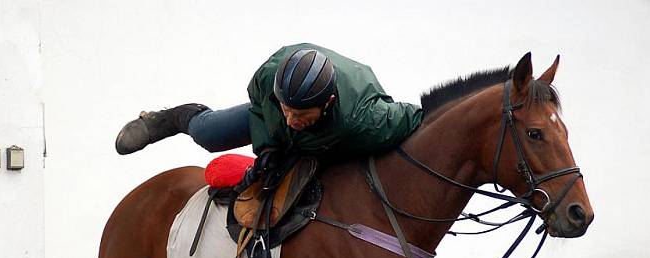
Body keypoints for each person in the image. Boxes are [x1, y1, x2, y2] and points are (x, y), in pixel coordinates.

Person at [115, 43, 423, 178]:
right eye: (287, 109)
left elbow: (419, 118)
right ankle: (171, 119)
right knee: (208, 135)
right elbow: (264, 109)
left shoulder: (367, 121)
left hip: (339, 133)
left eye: (301, 115)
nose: (291, 119)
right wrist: (267, 149)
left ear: (327, 103)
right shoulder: (269, 79)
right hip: (270, 113)